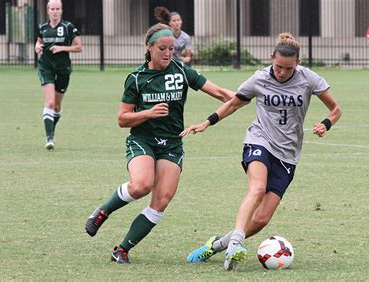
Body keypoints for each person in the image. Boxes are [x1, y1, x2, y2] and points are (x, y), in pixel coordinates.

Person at [181, 33, 342, 271]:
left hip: (288, 153)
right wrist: (207, 122)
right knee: (256, 188)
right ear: (271, 59)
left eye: (288, 68)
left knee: (261, 219)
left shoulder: (309, 78)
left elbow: (336, 109)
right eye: (278, 66)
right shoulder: (259, 78)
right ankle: (236, 244)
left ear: (297, 63)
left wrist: (326, 124)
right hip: (259, 140)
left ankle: (217, 245)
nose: (282, 72)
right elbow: (234, 102)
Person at [84, 24, 234, 264]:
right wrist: (148, 113)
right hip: (143, 140)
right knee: (142, 185)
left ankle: (121, 250)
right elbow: (122, 119)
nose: (168, 53)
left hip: (172, 144)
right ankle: (102, 212)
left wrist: (244, 96)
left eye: (172, 49)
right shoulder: (136, 78)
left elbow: (217, 91)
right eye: (162, 48)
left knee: (161, 199)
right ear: (149, 48)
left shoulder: (181, 71)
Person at [35, 0, 82, 149]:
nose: (55, 11)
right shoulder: (42, 27)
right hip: (46, 67)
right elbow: (39, 42)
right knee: (49, 101)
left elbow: (79, 47)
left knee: (56, 105)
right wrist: (37, 47)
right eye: (52, 9)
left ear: (61, 11)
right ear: (48, 11)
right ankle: (49, 138)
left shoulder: (68, 27)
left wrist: (61, 48)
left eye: (58, 9)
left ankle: (51, 129)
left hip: (63, 69)